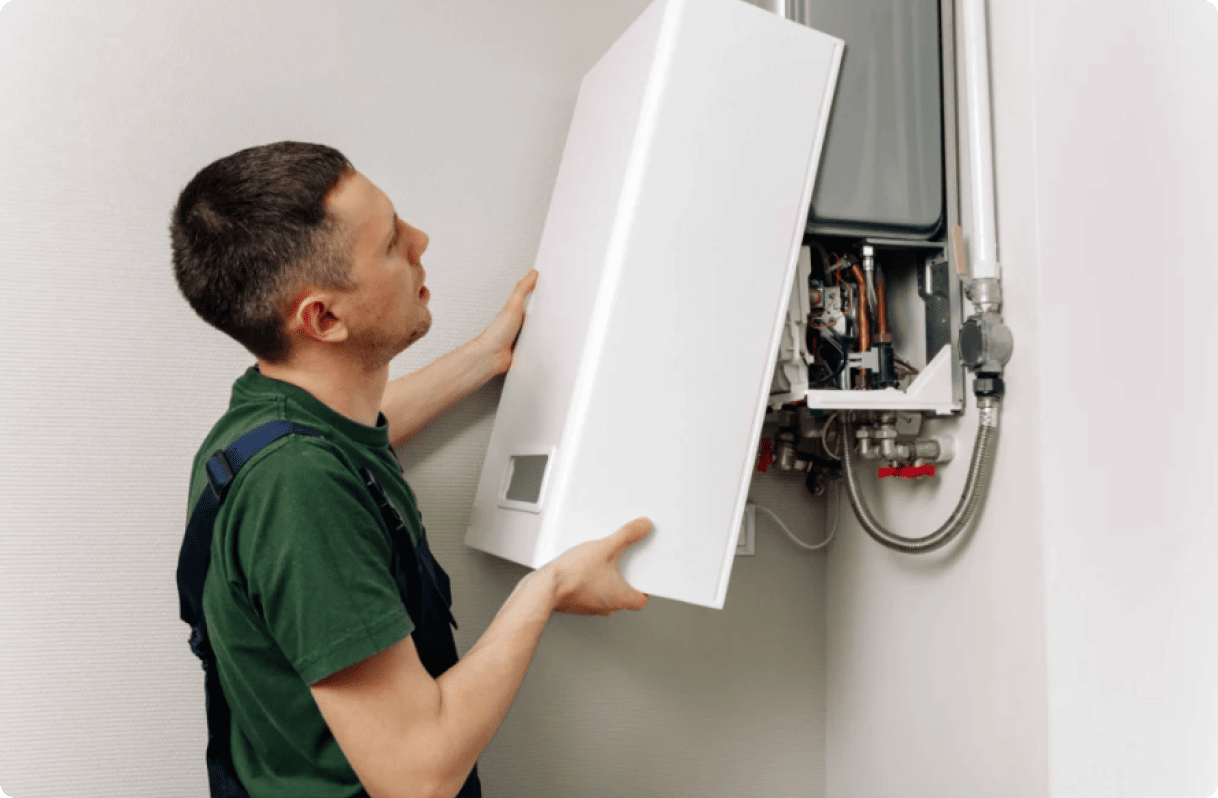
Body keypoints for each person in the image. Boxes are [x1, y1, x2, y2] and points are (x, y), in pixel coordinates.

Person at [171, 141, 651, 798]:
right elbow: (418, 775)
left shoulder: (264, 423)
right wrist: (548, 588)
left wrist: (483, 359)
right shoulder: (298, 490)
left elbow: (359, 429)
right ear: (324, 317)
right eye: (394, 244)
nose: (422, 241)